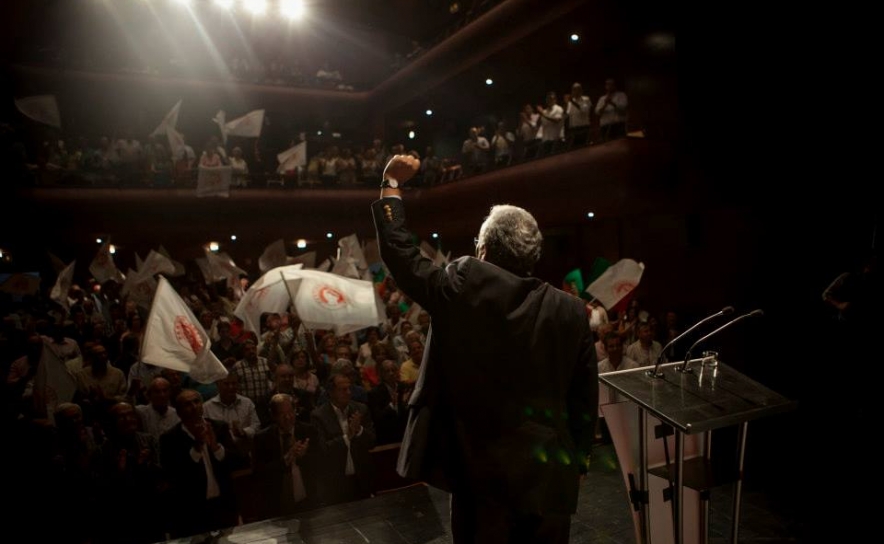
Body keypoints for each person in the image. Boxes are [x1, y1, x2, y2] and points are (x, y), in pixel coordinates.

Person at [370, 155, 597, 543]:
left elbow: (402, 256)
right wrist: (578, 460)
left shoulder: (461, 287)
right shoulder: (572, 311)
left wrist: (391, 183)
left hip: (481, 480)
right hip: (549, 479)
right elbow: (583, 399)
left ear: (485, 249)